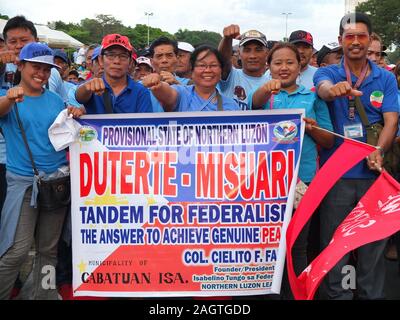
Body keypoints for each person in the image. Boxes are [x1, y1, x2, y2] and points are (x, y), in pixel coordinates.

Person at [314, 12, 399, 300]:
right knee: (335, 243)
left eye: (361, 36)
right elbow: (324, 90)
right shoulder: (328, 72)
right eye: (349, 36)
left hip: (375, 176)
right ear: (340, 41)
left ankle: (370, 296)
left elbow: (391, 121)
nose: (355, 41)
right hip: (336, 177)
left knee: (373, 246)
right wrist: (333, 90)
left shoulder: (385, 78)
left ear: (370, 40)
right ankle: (338, 296)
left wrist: (379, 151)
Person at [251, 43, 334, 298]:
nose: (283, 68)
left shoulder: (313, 97)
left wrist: (312, 128)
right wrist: (265, 91)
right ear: (269, 67)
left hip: (304, 181)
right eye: (277, 63)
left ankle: (295, 294)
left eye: (290, 62)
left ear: (300, 67)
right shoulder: (264, 95)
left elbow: (329, 140)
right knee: (269, 246)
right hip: (268, 183)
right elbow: (254, 110)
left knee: (298, 246)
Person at [0, 42, 69, 300]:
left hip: (56, 183)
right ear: (20, 66)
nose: (41, 73)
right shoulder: (9, 96)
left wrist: (75, 111)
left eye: (46, 69)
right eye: (35, 67)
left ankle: (44, 294)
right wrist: (9, 97)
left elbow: (65, 129)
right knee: (16, 250)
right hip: (23, 184)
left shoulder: (54, 99)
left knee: (48, 250)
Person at [142, 45, 239, 112]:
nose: (208, 70)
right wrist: (158, 85)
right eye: (202, 65)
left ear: (221, 71)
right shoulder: (181, 93)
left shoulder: (231, 106)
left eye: (213, 65)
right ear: (192, 71)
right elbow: (168, 94)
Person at [75, 34, 152, 114]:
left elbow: (145, 123)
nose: (117, 61)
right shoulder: (92, 87)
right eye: (110, 55)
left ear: (130, 62)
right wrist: (86, 87)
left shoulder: (141, 92)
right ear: (101, 60)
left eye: (123, 56)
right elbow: (79, 97)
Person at [218, 26, 270, 110]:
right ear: (239, 53)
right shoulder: (231, 76)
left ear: (267, 53)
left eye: (258, 50)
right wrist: (227, 38)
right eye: (247, 50)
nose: (252, 56)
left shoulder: (272, 84)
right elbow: (222, 61)